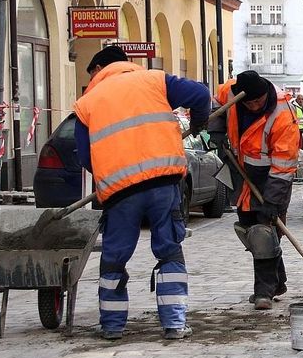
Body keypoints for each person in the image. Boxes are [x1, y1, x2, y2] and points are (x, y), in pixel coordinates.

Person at [73, 45, 210, 340]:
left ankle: (112, 327)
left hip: (120, 192)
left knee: (114, 257)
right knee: (169, 250)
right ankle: (174, 324)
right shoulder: (154, 80)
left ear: (98, 70)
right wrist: (199, 122)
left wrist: (109, 169)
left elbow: (85, 156)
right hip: (163, 183)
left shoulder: (87, 103)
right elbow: (200, 96)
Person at [211, 71, 301, 310]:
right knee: (251, 232)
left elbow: (284, 164)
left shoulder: (282, 116)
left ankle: (263, 292)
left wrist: (272, 201)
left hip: (272, 179)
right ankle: (277, 281)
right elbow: (214, 102)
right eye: (249, 103)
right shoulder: (231, 92)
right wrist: (217, 129)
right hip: (242, 175)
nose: (254, 106)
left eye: (258, 101)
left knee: (264, 231)